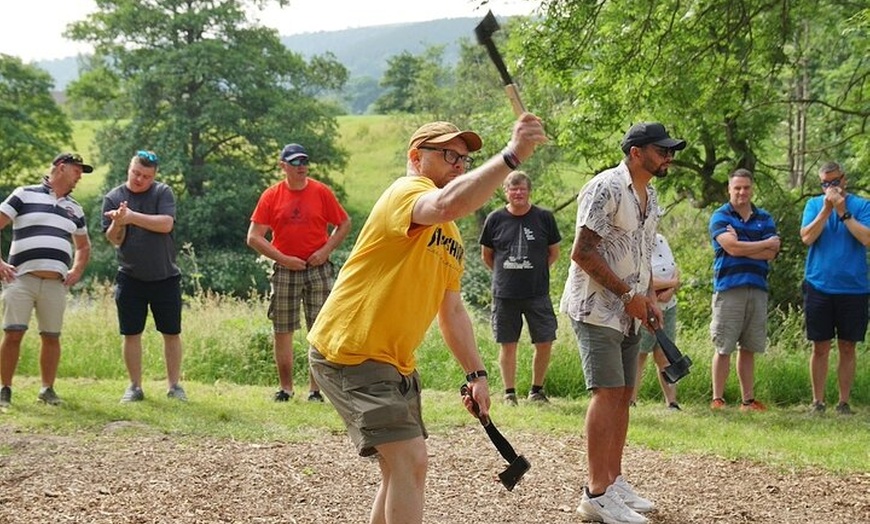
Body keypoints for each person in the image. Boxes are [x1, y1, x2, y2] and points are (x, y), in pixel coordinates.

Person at [307, 114, 547, 524]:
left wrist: (477, 373)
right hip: (352, 349)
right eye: (449, 154)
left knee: (400, 467)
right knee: (410, 460)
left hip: (393, 361)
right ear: (417, 157)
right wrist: (511, 156)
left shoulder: (449, 233)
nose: (459, 163)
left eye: (465, 158)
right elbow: (446, 202)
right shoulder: (406, 192)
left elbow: (451, 310)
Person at [561, 122, 685, 524]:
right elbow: (582, 252)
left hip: (631, 310)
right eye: (661, 150)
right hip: (597, 307)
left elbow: (642, 251)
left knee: (625, 392)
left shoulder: (651, 194)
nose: (668, 156)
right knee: (608, 392)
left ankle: (613, 482)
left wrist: (647, 296)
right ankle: (595, 493)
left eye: (669, 151)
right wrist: (628, 296)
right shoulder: (605, 188)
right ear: (636, 152)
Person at [247, 143, 351, 403]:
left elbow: (344, 223)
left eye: (304, 161)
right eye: (294, 162)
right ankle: (286, 389)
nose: (301, 166)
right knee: (282, 329)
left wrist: (326, 251)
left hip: (318, 268)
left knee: (320, 328)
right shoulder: (271, 196)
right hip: (285, 270)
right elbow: (254, 237)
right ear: (283, 166)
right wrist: (283, 259)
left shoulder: (320, 191)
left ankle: (316, 391)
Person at [0, 152, 92, 408]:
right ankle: (4, 389)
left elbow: (84, 247)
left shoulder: (75, 208)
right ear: (61, 168)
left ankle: (47, 389)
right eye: (76, 171)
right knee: (13, 333)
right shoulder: (23, 194)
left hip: (55, 284)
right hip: (21, 279)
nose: (79, 178)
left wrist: (76, 271)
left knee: (51, 336)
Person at [102, 150, 187, 403]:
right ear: (129, 169)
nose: (140, 179)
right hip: (130, 277)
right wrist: (118, 222)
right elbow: (114, 240)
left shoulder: (163, 193)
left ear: (154, 176)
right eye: (136, 173)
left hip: (165, 276)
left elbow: (166, 224)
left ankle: (174, 386)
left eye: (146, 176)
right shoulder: (113, 197)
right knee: (131, 333)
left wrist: (131, 217)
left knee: (171, 332)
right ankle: (135, 387)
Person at [479, 171, 561, 405]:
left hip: (537, 292)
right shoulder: (495, 219)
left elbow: (554, 252)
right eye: (513, 189)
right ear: (506, 192)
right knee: (508, 344)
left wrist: (535, 269)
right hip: (505, 294)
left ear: (529, 191)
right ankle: (509, 393)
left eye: (522, 189)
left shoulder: (544, 217)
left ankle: (536, 390)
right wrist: (505, 273)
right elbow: (487, 255)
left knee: (545, 341)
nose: (518, 193)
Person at [799, 161, 870, 415]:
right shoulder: (814, 205)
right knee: (820, 346)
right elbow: (806, 237)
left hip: (854, 288)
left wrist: (843, 212)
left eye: (834, 181)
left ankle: (843, 402)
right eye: (825, 183)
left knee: (848, 346)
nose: (830, 187)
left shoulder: (862, 205)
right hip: (819, 285)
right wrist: (826, 212)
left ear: (844, 180)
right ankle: (817, 402)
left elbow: (867, 238)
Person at [708, 168, 780, 412]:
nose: (741, 192)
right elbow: (732, 249)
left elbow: (772, 253)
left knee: (749, 347)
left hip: (757, 288)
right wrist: (761, 244)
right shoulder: (720, 216)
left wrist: (742, 243)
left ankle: (747, 401)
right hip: (729, 289)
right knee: (724, 346)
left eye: (746, 187)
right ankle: (717, 399)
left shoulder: (765, 217)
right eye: (737, 188)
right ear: (729, 189)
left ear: (752, 188)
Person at [630, 232, 681, 410]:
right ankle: (631, 399)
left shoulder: (661, 239)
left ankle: (672, 402)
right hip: (646, 306)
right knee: (639, 353)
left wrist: (672, 288)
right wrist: (671, 283)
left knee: (665, 354)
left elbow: (675, 270)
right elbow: (642, 277)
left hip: (668, 306)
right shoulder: (635, 240)